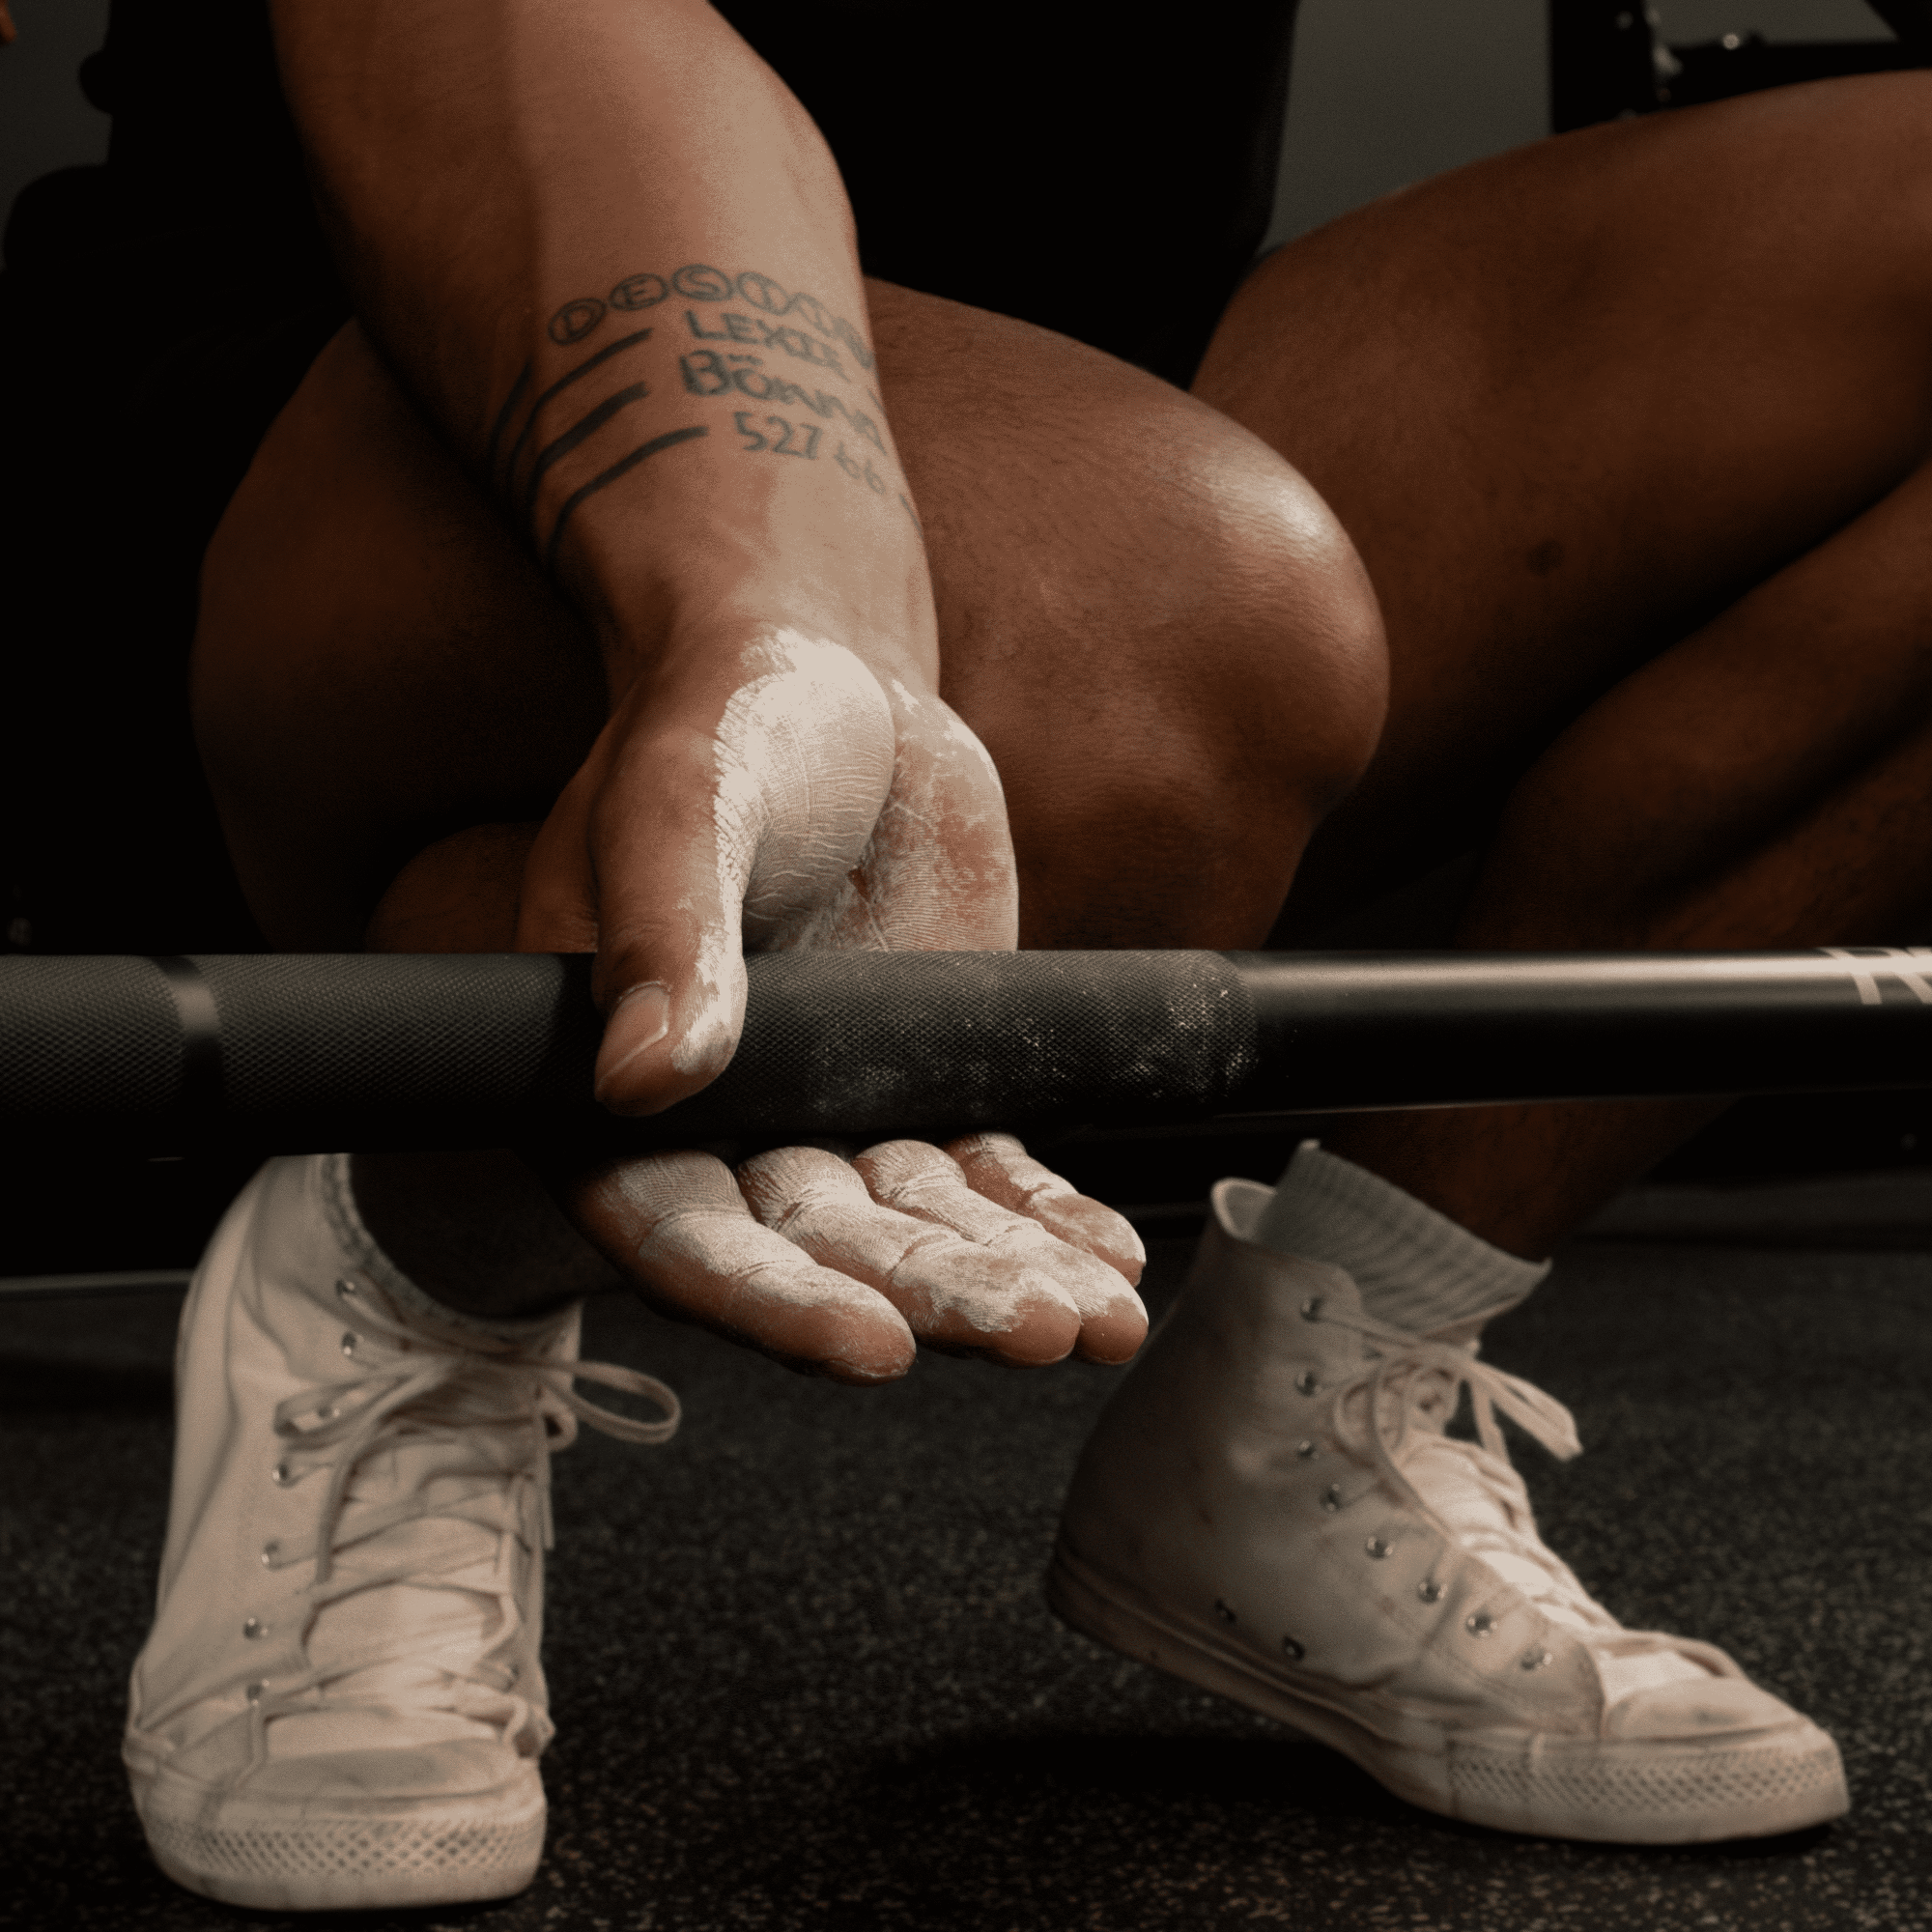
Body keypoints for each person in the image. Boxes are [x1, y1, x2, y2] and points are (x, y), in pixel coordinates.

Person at [13, 0, 1929, 1908]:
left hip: (1115, 389)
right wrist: (792, 600)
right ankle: (391, 1291)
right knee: (1133, 638)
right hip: (383, 387)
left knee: (1153, 605)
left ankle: (1308, 1410)